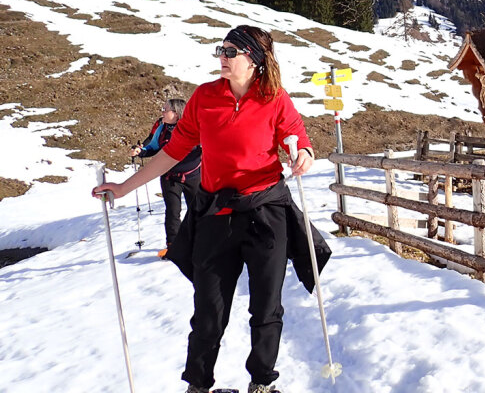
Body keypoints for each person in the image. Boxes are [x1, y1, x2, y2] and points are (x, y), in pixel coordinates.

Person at [93, 25, 330, 393]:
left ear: (253, 60)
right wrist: (124, 188)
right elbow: (172, 153)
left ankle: (262, 383)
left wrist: (303, 154)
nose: (222, 57)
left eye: (231, 52)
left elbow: (297, 137)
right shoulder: (205, 97)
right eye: (221, 50)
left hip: (267, 212)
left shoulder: (274, 98)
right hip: (216, 215)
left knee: (267, 309)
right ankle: (198, 385)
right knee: (208, 311)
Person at [132, 98, 200, 258]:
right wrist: (140, 151)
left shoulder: (192, 128)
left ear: (176, 113)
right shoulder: (161, 129)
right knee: (172, 212)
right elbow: (153, 147)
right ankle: (173, 247)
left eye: (165, 109)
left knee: (197, 210)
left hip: (194, 176)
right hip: (169, 177)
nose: (162, 112)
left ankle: (200, 243)